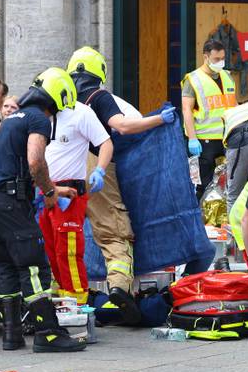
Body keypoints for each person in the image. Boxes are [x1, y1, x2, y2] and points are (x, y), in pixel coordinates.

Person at [0, 67, 85, 353]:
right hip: (9, 201)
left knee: (9, 265)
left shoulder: (13, 118)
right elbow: (35, 161)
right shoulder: (38, 118)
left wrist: (53, 189)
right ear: (57, 98)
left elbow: (16, 166)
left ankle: (12, 336)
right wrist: (50, 192)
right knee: (34, 263)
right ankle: (48, 333)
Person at [67, 46, 175, 322]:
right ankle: (119, 288)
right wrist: (158, 120)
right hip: (93, 165)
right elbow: (123, 126)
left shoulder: (63, 98)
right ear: (99, 72)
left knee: (64, 234)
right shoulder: (99, 96)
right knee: (113, 230)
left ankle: (64, 295)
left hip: (60, 169)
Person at [42, 96, 113, 302]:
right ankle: (60, 300)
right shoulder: (40, 114)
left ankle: (77, 302)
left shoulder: (81, 113)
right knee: (50, 250)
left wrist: (100, 169)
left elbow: (105, 143)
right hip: (44, 189)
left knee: (68, 250)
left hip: (70, 192)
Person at [182, 39, 238, 200]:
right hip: (203, 142)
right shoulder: (193, 79)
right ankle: (201, 222)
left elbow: (233, 104)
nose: (221, 62)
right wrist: (192, 139)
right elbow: (187, 110)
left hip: (226, 139)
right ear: (206, 57)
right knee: (203, 186)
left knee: (227, 185)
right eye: (216, 59)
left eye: (222, 58)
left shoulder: (227, 76)